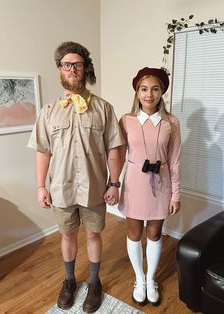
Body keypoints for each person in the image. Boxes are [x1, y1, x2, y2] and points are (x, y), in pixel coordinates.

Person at [28, 41, 124, 313]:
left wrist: (115, 183)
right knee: (67, 235)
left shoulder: (104, 108)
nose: (72, 69)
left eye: (77, 64)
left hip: (94, 188)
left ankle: (95, 283)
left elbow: (114, 149)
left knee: (93, 234)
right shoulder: (48, 112)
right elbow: (42, 152)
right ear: (60, 69)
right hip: (60, 189)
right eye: (66, 64)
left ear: (85, 69)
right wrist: (40, 186)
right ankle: (69, 281)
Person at [118, 67, 181, 307]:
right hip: (134, 183)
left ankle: (151, 279)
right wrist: (112, 184)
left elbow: (174, 160)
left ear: (162, 91)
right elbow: (116, 155)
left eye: (155, 89)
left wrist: (175, 194)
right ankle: (139, 279)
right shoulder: (126, 120)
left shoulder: (171, 122)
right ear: (137, 91)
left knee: (154, 234)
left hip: (161, 184)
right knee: (134, 233)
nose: (149, 94)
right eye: (144, 89)